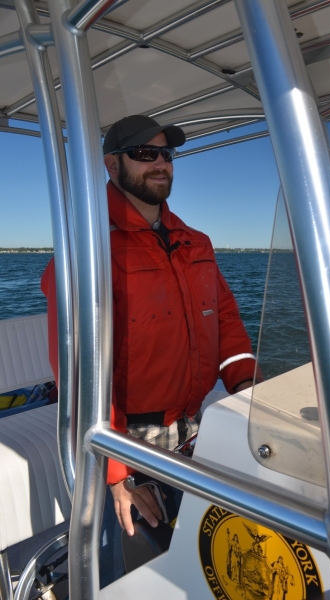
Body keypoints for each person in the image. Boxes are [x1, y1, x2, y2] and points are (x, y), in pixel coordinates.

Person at [41, 114, 262, 585]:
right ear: (111, 164)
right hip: (122, 448)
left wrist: (246, 389)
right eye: (145, 154)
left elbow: (224, 320)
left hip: (193, 434)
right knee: (118, 578)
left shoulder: (195, 242)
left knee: (206, 566)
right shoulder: (89, 249)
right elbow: (79, 372)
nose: (160, 163)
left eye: (166, 154)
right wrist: (116, 475)